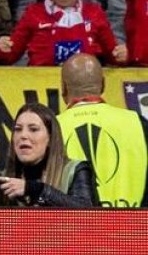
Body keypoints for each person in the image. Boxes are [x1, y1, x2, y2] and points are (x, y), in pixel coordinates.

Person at [58, 53, 148, 207]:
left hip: (74, 227)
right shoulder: (139, 123)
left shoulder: (48, 128)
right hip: (134, 228)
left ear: (64, 88)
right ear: (103, 84)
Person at [0, 102, 98, 207]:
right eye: (18, 129)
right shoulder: (4, 178)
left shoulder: (74, 171)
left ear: (50, 138)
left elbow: (86, 212)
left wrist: (35, 189)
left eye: (33, 129)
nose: (23, 135)